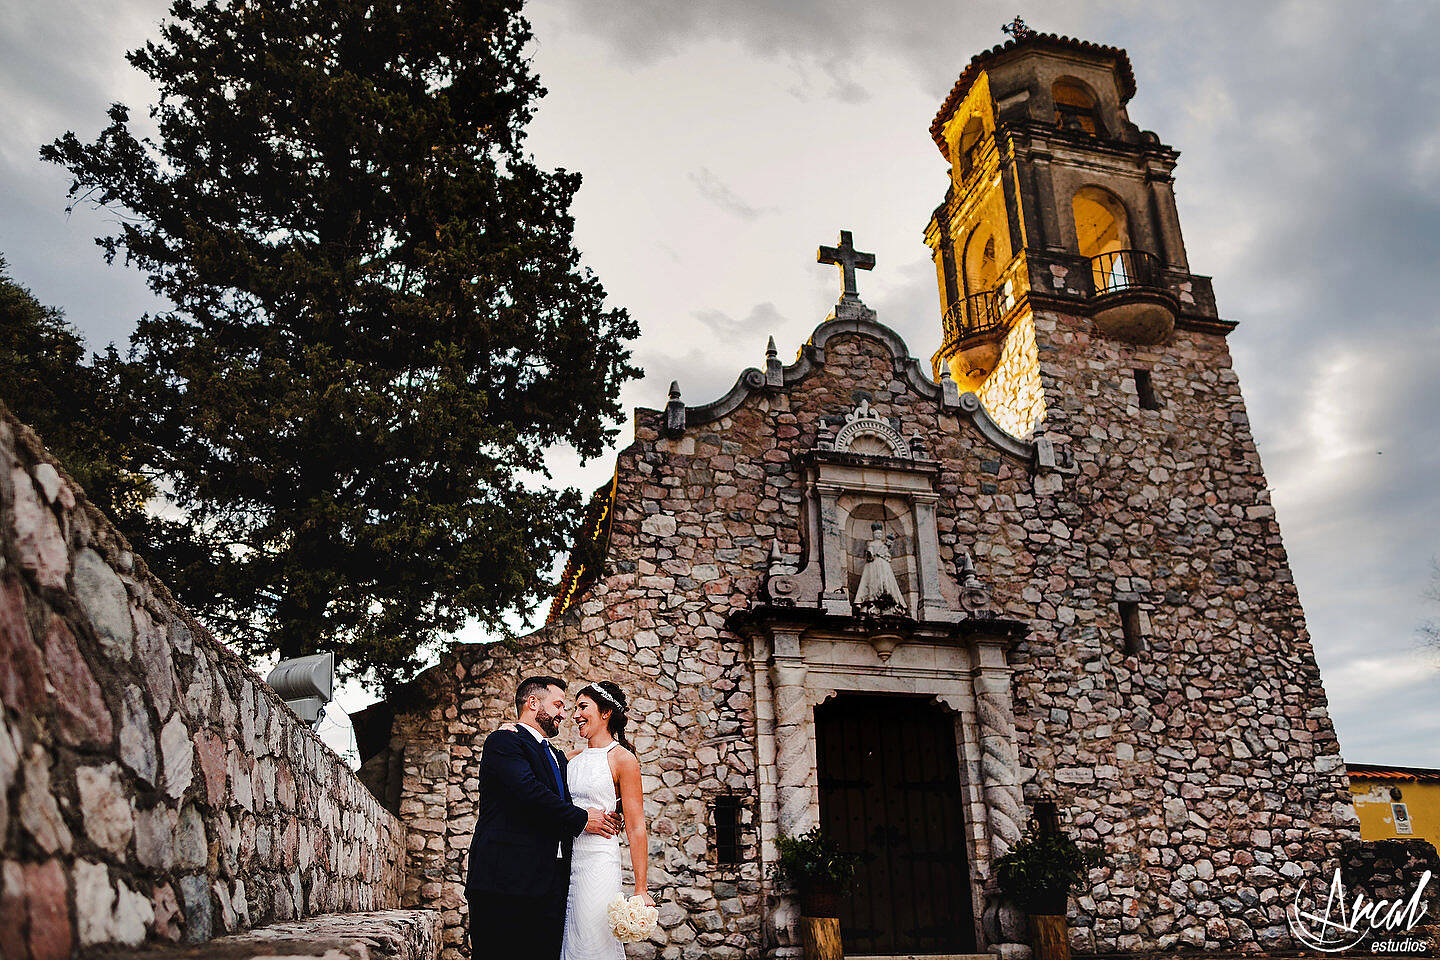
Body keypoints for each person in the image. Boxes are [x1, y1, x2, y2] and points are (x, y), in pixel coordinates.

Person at [465, 676, 621, 960]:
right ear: (533, 703)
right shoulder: (504, 741)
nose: (565, 713)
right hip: (502, 885)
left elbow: (587, 779)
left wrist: (613, 811)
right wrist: (583, 819)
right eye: (559, 705)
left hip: (547, 888)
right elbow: (528, 792)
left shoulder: (557, 756)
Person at [559, 681, 652, 959]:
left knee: (592, 940)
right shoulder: (569, 758)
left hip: (598, 862)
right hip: (564, 863)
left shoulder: (623, 760)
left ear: (606, 712)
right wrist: (512, 730)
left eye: (583, 707)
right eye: (575, 708)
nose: (575, 715)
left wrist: (641, 888)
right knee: (566, 940)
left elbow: (636, 827)